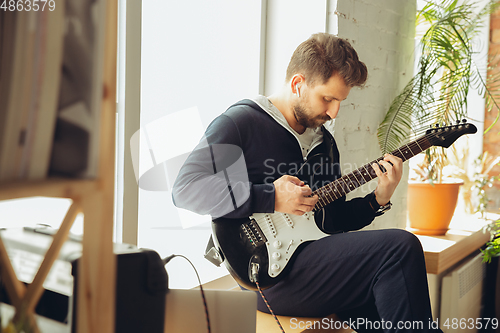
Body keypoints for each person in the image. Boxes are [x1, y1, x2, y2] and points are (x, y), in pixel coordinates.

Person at [172, 33, 442, 333]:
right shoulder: (241, 122)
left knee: (384, 300)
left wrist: (377, 199)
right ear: (298, 84)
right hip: (269, 275)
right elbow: (185, 189)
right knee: (400, 247)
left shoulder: (324, 143)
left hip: (312, 263)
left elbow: (333, 220)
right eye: (327, 98)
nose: (333, 112)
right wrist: (271, 196)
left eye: (340, 101)